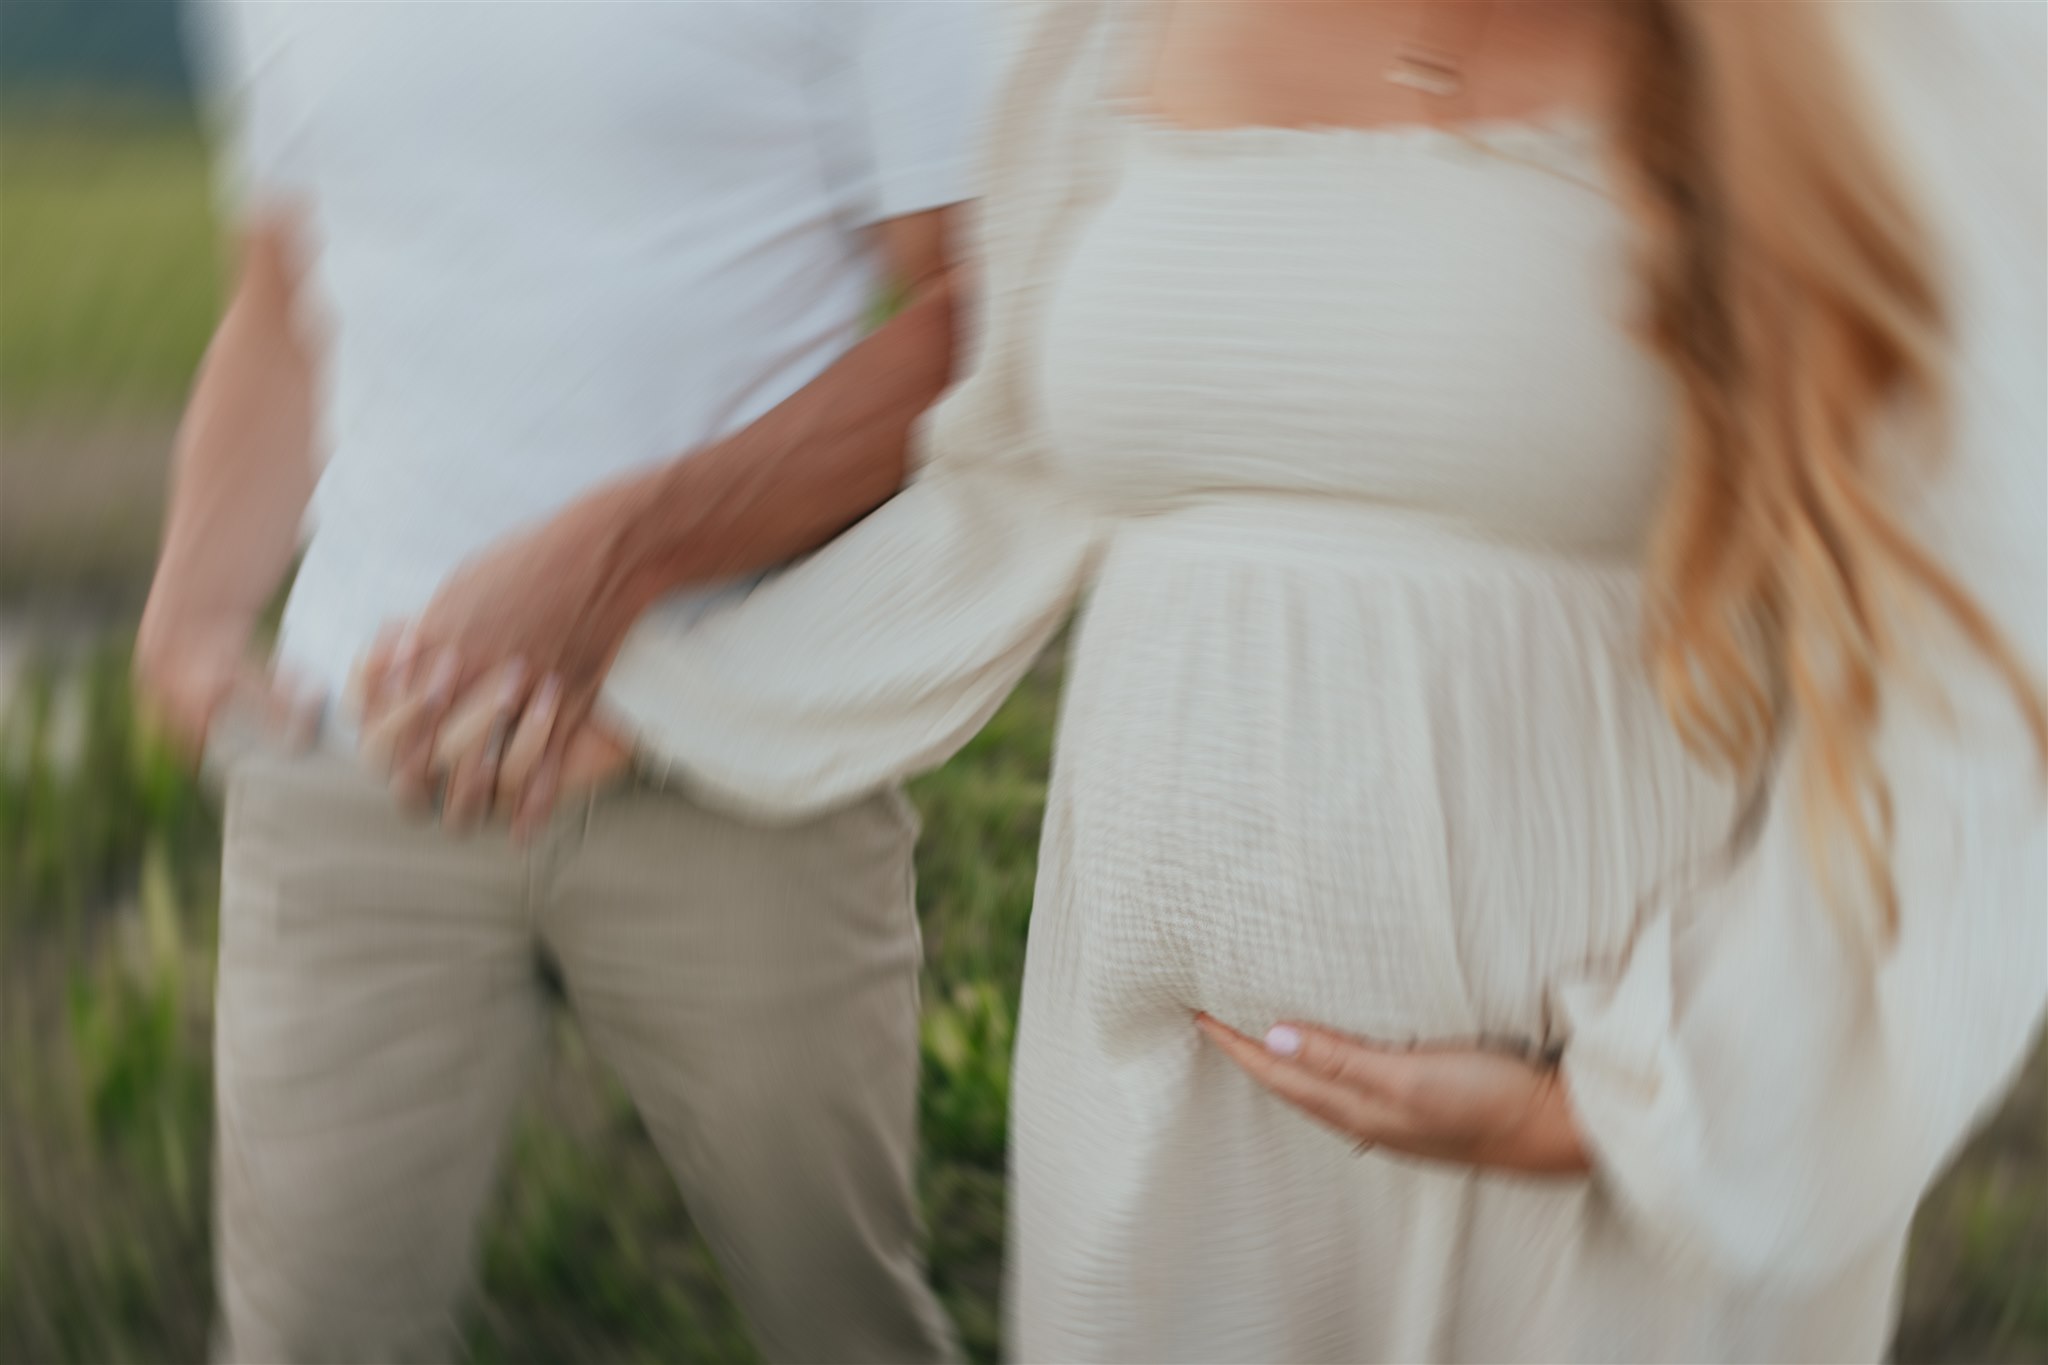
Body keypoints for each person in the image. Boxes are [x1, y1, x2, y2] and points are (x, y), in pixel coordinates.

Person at [388, 0, 2048, 1359]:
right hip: (1168, 1115)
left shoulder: (1862, 52)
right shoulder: (1091, 34)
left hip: (1606, 1162)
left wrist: (1625, 1112)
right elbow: (1021, 475)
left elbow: (1983, 688)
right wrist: (702, 695)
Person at [134, 2, 991, 1360]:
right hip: (360, 760)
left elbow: (974, 322)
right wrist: (194, 607)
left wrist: (625, 552)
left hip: (733, 758)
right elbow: (290, 299)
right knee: (307, 1337)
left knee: (844, 1319)